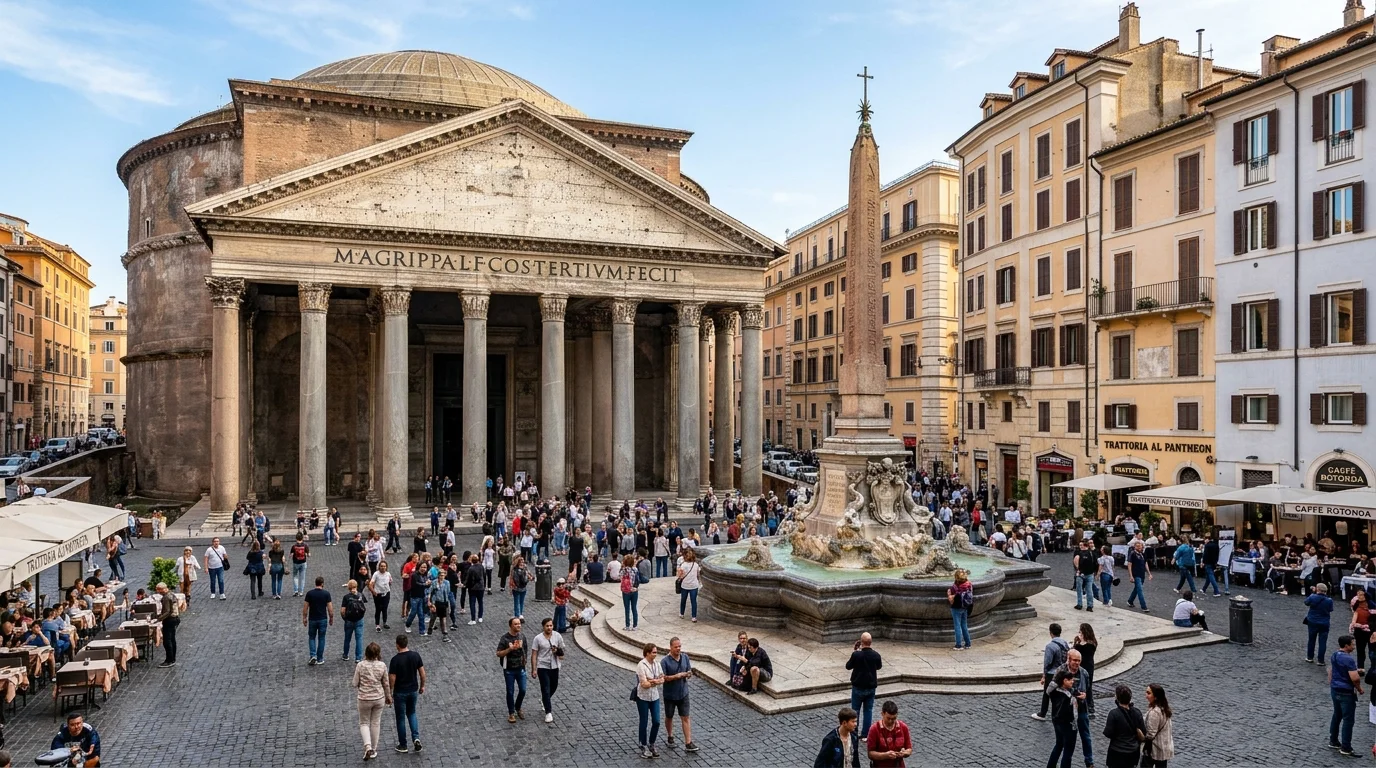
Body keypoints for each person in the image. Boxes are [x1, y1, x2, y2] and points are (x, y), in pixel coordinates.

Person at [353, 641, 391, 761]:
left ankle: (367, 746)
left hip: (364, 698)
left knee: (364, 723)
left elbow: (354, 683)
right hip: (378, 698)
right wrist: (388, 696)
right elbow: (386, 683)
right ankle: (374, 749)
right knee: (375, 723)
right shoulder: (382, 665)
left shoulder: (360, 665)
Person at [388, 634, 425, 754]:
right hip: (413, 690)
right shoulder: (415, 656)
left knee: (400, 718)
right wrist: (422, 686)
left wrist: (390, 692)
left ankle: (403, 744)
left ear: (397, 645)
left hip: (400, 692)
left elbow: (392, 678)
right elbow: (422, 673)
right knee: (412, 713)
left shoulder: (395, 660)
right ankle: (416, 738)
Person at [660, 636, 698, 752]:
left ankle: (688, 742)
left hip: (683, 693)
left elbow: (689, 670)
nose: (678, 649)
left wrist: (688, 674)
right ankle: (670, 735)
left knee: (685, 717)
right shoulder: (664, 661)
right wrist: (676, 676)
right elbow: (663, 678)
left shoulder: (685, 657)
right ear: (670, 647)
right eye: (676, 647)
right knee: (669, 716)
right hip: (670, 694)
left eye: (679, 646)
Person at [1330, 634, 1363, 755]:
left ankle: (1333, 740)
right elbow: (1354, 678)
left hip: (1335, 689)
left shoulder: (1334, 655)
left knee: (1336, 716)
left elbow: (1332, 671)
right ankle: (1346, 747)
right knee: (1348, 720)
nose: (1354, 647)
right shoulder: (1349, 659)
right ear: (1346, 645)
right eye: (1352, 644)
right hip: (1346, 693)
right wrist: (1359, 689)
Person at [846, 632, 883, 738]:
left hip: (858, 686)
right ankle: (865, 734)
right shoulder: (876, 655)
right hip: (871, 687)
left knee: (855, 710)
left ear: (861, 642)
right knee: (868, 711)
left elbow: (848, 666)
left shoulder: (857, 655)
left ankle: (853, 732)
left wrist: (855, 651)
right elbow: (878, 667)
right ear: (871, 642)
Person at [1102, 684, 1146, 768]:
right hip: (1133, 752)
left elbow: (1108, 733)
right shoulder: (1137, 712)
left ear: (1117, 698)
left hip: (1117, 752)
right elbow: (1143, 731)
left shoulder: (1113, 714)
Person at [634, 641, 665, 759]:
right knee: (644, 721)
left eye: (656, 652)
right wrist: (654, 681)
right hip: (643, 697)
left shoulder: (657, 664)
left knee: (657, 721)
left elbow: (662, 678)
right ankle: (643, 744)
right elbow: (643, 684)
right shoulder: (641, 665)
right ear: (647, 653)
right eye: (654, 653)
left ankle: (652, 743)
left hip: (655, 696)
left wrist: (652, 680)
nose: (655, 655)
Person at [1033, 623, 1070, 720]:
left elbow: (1047, 662)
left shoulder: (1050, 646)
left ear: (1050, 633)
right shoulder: (1065, 643)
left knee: (1047, 693)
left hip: (1052, 673)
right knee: (1060, 692)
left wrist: (1044, 675)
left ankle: (1042, 713)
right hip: (1062, 671)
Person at [531, 617, 565, 723]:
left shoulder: (557, 636)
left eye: (551, 625)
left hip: (554, 666)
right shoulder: (538, 638)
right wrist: (534, 669)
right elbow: (534, 654)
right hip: (543, 666)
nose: (549, 627)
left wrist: (557, 651)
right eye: (547, 626)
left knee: (554, 686)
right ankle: (548, 712)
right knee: (545, 688)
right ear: (543, 627)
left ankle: (545, 700)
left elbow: (562, 652)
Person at [497, 617, 529, 723]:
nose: (518, 626)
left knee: (523, 690)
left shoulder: (522, 637)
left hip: (521, 668)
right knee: (510, 692)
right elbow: (498, 653)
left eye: (519, 624)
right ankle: (511, 713)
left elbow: (525, 649)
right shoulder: (505, 638)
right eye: (516, 624)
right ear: (511, 625)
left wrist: (525, 660)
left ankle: (517, 706)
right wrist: (509, 649)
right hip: (509, 670)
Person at [865, 700, 912, 768]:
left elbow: (909, 749)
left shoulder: (903, 727)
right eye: (888, 718)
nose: (891, 721)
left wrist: (905, 753)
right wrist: (885, 755)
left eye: (893, 719)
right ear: (882, 714)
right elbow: (870, 754)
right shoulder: (874, 729)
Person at [1047, 670, 1078, 768]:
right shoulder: (1068, 697)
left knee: (1059, 745)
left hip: (1056, 722)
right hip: (1068, 725)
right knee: (1068, 751)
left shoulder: (1054, 691)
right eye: (1070, 680)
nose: (1072, 681)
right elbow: (1072, 713)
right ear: (1064, 681)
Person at [302, 576, 334, 665]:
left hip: (312, 619)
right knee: (321, 638)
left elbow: (305, 607)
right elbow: (330, 608)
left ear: (315, 583)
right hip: (323, 619)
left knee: (312, 637)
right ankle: (320, 658)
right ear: (322, 584)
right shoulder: (326, 594)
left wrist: (304, 618)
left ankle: (313, 656)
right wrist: (331, 618)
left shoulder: (309, 594)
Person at [1143, 683, 1174, 767]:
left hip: (1155, 750)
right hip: (1164, 748)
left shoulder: (1155, 712)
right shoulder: (1165, 709)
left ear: (1156, 697)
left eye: (1149, 693)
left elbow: (1151, 734)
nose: (1146, 696)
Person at [1073, 623, 1099, 717]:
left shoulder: (1090, 644)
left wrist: (1079, 642)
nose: (1079, 633)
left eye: (1080, 631)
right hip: (1085, 666)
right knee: (1082, 685)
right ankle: (1085, 706)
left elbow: (1079, 650)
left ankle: (1090, 707)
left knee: (1087, 686)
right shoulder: (1089, 642)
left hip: (1086, 667)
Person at [1306, 583, 1335, 664]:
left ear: (1317, 589)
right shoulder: (1329, 600)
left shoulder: (1312, 597)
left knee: (1311, 640)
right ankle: (1321, 660)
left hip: (1312, 621)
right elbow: (1330, 609)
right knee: (1323, 642)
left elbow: (1306, 602)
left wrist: (1312, 593)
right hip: (1324, 622)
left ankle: (1310, 657)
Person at [341, 579, 368, 661]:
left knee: (347, 638)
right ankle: (358, 657)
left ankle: (345, 655)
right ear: (356, 586)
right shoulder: (360, 595)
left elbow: (342, 611)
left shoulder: (346, 597)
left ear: (348, 587)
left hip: (349, 620)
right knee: (359, 639)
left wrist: (345, 618)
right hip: (359, 620)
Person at [155, 581, 180, 667]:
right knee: (172, 639)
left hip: (169, 620)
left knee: (167, 640)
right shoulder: (172, 594)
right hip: (175, 618)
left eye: (158, 590)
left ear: (162, 589)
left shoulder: (166, 597)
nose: (158, 592)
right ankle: (173, 658)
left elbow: (168, 611)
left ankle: (169, 660)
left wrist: (159, 619)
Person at [948, 569, 974, 649]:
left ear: (956, 577)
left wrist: (949, 594)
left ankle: (958, 645)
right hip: (966, 607)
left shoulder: (954, 587)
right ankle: (968, 643)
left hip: (956, 608)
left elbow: (951, 599)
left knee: (957, 626)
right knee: (964, 625)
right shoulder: (969, 584)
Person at [405, 555, 430, 635]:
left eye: (425, 567)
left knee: (421, 614)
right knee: (413, 612)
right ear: (419, 567)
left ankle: (422, 631)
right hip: (414, 597)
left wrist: (428, 584)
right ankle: (408, 624)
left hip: (422, 596)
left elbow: (426, 585)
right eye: (422, 567)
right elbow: (416, 584)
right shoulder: (414, 575)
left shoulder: (425, 575)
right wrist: (425, 584)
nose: (423, 569)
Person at [677, 548, 702, 622]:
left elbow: (680, 576)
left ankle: (682, 613)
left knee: (683, 600)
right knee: (693, 601)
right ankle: (694, 617)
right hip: (694, 585)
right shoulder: (696, 565)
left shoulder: (683, 565)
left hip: (685, 585)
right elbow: (698, 574)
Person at [1127, 541, 1152, 612]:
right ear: (1135, 547)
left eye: (1140, 546)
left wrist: (1149, 573)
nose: (1139, 547)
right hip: (1136, 575)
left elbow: (1145, 563)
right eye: (1137, 546)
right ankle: (1144, 606)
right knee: (1140, 590)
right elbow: (1129, 564)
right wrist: (1131, 576)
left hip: (1142, 574)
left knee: (1136, 589)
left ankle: (1130, 601)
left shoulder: (1143, 554)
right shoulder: (1133, 554)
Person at [369, 560, 392, 631]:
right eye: (381, 566)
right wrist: (373, 592)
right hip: (378, 594)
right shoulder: (376, 574)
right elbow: (371, 584)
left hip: (386, 593)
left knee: (385, 608)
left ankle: (385, 622)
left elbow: (390, 582)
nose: (383, 567)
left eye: (384, 566)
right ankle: (377, 624)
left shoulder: (388, 574)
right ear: (379, 567)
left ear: (386, 567)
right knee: (378, 609)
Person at [620, 554, 641, 630]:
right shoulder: (635, 569)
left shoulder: (624, 570)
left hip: (626, 591)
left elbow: (620, 577)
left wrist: (622, 566)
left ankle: (627, 625)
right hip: (634, 590)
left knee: (627, 608)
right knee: (634, 608)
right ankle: (635, 626)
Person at [465, 553, 486, 625]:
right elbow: (484, 576)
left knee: (472, 603)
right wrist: (484, 585)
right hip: (481, 587)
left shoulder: (471, 569)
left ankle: (473, 619)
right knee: (480, 602)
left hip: (473, 588)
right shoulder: (481, 566)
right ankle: (480, 617)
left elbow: (468, 579)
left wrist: (465, 585)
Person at [510, 554, 532, 619]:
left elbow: (513, 578)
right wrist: (530, 578)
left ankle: (518, 614)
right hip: (522, 588)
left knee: (517, 602)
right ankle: (520, 614)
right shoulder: (524, 569)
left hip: (516, 588)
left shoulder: (514, 569)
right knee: (520, 602)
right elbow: (528, 577)